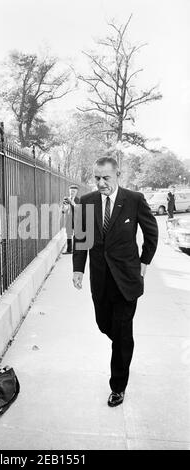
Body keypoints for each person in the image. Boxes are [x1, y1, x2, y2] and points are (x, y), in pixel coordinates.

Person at [72, 156, 158, 407]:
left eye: (105, 178)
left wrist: (144, 262)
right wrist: (78, 269)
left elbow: (151, 233)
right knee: (104, 325)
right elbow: (81, 239)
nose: (100, 183)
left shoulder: (134, 200)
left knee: (121, 333)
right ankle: (124, 344)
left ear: (117, 174)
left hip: (127, 280)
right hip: (100, 280)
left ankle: (118, 386)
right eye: (96, 178)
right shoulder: (86, 202)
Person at [61, 184, 80, 254]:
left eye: (74, 191)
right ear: (69, 191)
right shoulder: (66, 199)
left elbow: (79, 210)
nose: (72, 193)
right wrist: (65, 207)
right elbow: (63, 211)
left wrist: (72, 202)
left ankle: (76, 250)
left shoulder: (79, 200)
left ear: (76, 192)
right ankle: (69, 250)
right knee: (69, 235)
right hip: (68, 220)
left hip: (76, 220)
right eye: (71, 191)